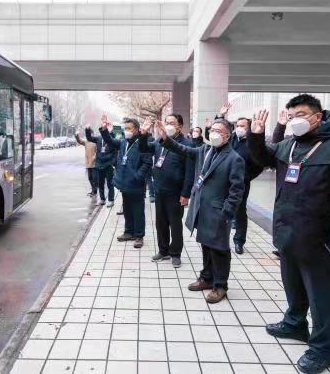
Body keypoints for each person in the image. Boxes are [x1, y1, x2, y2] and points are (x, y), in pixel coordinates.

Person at [248, 94, 330, 374]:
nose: (295, 121)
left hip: (319, 238)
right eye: (291, 117)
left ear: (317, 116)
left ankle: (323, 348)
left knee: (320, 295)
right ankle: (295, 323)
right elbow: (262, 157)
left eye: (300, 115)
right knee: (292, 284)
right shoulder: (289, 145)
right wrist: (256, 135)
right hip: (287, 232)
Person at [154, 117, 244, 303]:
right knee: (205, 245)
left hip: (219, 212)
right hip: (202, 208)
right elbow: (183, 149)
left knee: (219, 250)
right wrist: (165, 138)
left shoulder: (234, 159)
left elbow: (237, 191)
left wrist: (226, 212)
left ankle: (220, 286)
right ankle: (206, 278)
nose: (214, 134)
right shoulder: (205, 150)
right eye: (213, 130)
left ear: (228, 136)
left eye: (219, 131)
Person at [206, 103, 289, 254]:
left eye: (242, 126)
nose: (239, 128)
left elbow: (260, 164)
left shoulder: (253, 144)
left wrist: (246, 177)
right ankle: (216, 236)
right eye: (237, 125)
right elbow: (215, 134)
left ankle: (239, 241)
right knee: (219, 208)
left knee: (239, 212)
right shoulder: (231, 139)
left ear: (249, 127)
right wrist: (220, 116)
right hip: (223, 181)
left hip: (241, 183)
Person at [139, 114, 194, 268]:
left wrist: (186, 194)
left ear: (180, 126)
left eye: (172, 123)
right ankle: (163, 251)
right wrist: (143, 134)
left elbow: (190, 171)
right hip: (160, 189)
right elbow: (144, 149)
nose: (168, 125)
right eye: (167, 122)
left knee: (175, 224)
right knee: (161, 223)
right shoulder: (159, 140)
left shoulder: (187, 144)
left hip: (176, 192)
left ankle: (175, 253)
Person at [100, 114, 152, 249]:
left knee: (138, 211)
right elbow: (110, 141)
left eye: (129, 128)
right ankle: (129, 232)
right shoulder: (123, 142)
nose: (126, 131)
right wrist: (104, 129)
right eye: (125, 128)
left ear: (136, 129)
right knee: (127, 209)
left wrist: (138, 176)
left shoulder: (142, 143)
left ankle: (139, 236)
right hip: (124, 183)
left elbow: (147, 162)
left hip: (136, 184)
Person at [85, 124, 117, 207]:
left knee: (110, 184)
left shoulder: (112, 139)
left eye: (107, 127)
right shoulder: (98, 138)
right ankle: (102, 199)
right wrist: (87, 129)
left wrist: (112, 163)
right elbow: (89, 138)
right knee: (100, 184)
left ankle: (111, 200)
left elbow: (115, 153)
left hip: (108, 165)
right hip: (99, 165)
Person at [74, 128, 98, 197]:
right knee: (90, 178)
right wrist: (77, 135)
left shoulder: (95, 142)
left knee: (94, 179)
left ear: (92, 134)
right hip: (88, 164)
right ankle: (93, 190)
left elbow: (98, 151)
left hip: (94, 164)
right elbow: (79, 141)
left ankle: (95, 191)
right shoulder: (86, 142)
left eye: (90, 134)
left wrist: (95, 156)